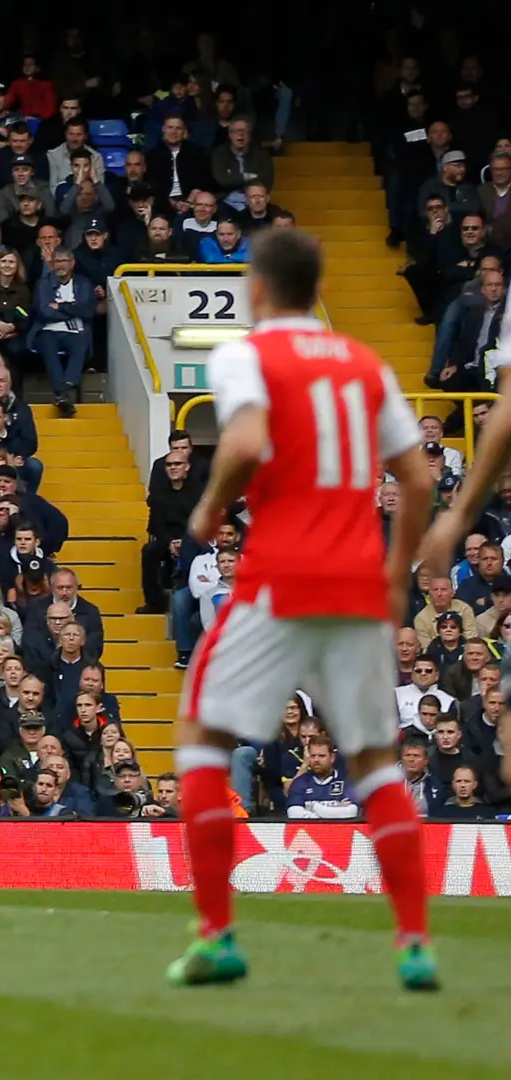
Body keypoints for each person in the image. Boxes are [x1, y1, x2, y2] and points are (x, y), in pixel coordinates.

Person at [168, 225, 436, 991]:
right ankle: (414, 943)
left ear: (256, 288)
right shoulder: (366, 365)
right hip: (357, 584)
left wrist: (211, 508)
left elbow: (248, 440)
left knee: (200, 736)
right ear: (318, 290)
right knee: (376, 764)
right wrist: (395, 571)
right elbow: (415, 481)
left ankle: (217, 934)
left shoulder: (245, 354)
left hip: (278, 580)